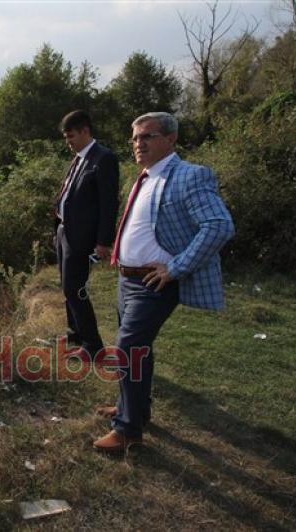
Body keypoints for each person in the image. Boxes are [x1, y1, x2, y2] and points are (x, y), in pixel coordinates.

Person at [93, 112, 235, 452]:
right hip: (127, 280)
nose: (138, 144)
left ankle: (128, 430)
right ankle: (136, 410)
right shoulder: (144, 177)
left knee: (128, 348)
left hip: (154, 283)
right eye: (135, 139)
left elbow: (219, 226)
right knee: (138, 349)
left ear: (170, 139)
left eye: (147, 137)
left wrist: (176, 267)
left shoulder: (190, 175)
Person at [54, 110, 119, 357]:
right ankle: (76, 335)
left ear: (85, 131)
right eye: (65, 137)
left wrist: (103, 241)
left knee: (75, 288)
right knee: (65, 286)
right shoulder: (80, 157)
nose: (68, 142)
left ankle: (93, 346)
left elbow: (108, 203)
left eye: (71, 136)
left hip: (81, 236)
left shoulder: (104, 159)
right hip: (64, 231)